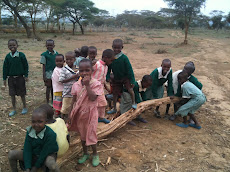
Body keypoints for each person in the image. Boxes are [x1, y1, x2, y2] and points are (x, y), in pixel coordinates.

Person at [68, 59, 103, 167]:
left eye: (87, 70)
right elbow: (73, 100)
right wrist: (70, 114)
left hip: (91, 114)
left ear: (92, 70)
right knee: (82, 135)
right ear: (78, 71)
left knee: (91, 134)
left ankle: (95, 154)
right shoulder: (76, 85)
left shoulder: (96, 84)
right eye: (81, 70)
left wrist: (87, 85)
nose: (84, 73)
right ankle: (85, 153)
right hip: (80, 114)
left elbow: (93, 98)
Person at [8, 107, 59, 172]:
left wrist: (35, 167)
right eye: (33, 122)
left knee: (52, 165)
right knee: (11, 154)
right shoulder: (30, 131)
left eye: (40, 122)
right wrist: (27, 168)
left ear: (46, 122)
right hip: (34, 154)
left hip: (46, 155)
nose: (36, 125)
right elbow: (27, 149)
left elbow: (44, 153)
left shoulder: (51, 134)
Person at [106, 39, 136, 114]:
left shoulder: (124, 58)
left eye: (118, 48)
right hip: (116, 78)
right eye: (115, 48)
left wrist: (132, 80)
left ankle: (133, 102)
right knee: (115, 93)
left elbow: (130, 69)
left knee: (130, 89)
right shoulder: (111, 58)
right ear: (112, 47)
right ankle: (115, 108)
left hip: (125, 77)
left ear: (122, 47)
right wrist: (107, 77)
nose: (116, 49)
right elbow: (109, 68)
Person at [3, 39, 29, 116]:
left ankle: (24, 107)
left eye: (14, 45)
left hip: (20, 78)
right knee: (12, 94)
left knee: (22, 93)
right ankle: (14, 109)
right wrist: (4, 80)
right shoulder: (8, 57)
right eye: (10, 45)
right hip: (11, 79)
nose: (12, 47)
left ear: (17, 46)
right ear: (8, 46)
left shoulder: (21, 55)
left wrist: (26, 75)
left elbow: (26, 66)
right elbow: (5, 69)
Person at [92, 49, 115, 124]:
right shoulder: (97, 65)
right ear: (105, 58)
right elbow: (88, 71)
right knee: (94, 104)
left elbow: (103, 79)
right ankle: (94, 118)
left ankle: (101, 117)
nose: (111, 62)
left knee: (102, 103)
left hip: (100, 88)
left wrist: (106, 88)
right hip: (93, 88)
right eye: (111, 60)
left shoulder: (106, 67)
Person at [59, 51, 79, 119]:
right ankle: (62, 120)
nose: (69, 61)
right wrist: (72, 78)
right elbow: (61, 80)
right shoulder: (64, 69)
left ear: (75, 59)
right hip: (67, 92)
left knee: (73, 107)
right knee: (65, 108)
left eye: (71, 59)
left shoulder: (77, 68)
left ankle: (71, 119)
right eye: (67, 59)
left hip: (76, 93)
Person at [40, 39, 58, 105]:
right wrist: (44, 76)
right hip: (48, 73)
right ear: (46, 46)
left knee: (54, 88)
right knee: (48, 87)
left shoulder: (56, 53)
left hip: (55, 73)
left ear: (54, 45)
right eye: (48, 45)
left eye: (51, 45)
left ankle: (53, 100)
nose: (49, 46)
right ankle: (47, 101)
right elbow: (43, 66)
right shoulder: (44, 55)